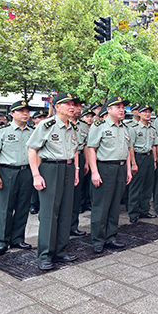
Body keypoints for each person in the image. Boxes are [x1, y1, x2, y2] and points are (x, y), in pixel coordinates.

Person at [27, 94, 80, 271]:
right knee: (50, 214)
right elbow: (32, 150)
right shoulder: (46, 125)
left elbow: (75, 151)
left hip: (68, 168)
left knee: (66, 211)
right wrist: (36, 175)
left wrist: (76, 171)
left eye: (73, 104)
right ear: (57, 107)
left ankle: (61, 251)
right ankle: (45, 255)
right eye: (67, 104)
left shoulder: (72, 127)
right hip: (51, 169)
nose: (72, 107)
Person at [0, 101, 34, 256]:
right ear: (12, 114)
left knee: (22, 207)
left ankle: (17, 239)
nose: (25, 113)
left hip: (26, 172)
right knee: (5, 208)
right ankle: (2, 242)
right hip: (8, 172)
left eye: (27, 111)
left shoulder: (32, 131)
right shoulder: (2, 131)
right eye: (21, 111)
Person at [87, 96, 133, 254]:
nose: (122, 110)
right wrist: (94, 172)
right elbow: (91, 148)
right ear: (108, 110)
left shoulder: (124, 127)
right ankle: (98, 239)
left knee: (115, 205)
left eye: (123, 107)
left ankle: (111, 237)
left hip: (120, 168)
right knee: (101, 205)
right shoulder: (99, 126)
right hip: (105, 167)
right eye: (118, 107)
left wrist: (128, 170)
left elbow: (126, 151)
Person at [127, 104, 158, 223]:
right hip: (138, 157)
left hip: (149, 157)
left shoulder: (152, 129)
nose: (147, 114)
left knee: (148, 186)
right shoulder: (134, 128)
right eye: (144, 112)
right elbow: (131, 147)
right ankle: (133, 213)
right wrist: (133, 163)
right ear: (139, 114)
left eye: (149, 112)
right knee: (136, 186)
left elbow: (154, 146)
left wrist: (154, 160)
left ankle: (145, 211)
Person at [69, 97, 88, 237]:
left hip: (80, 158)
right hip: (64, 159)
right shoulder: (61, 123)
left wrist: (86, 162)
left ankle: (73, 226)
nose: (79, 108)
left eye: (80, 106)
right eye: (76, 106)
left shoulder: (83, 125)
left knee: (76, 194)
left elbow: (86, 145)